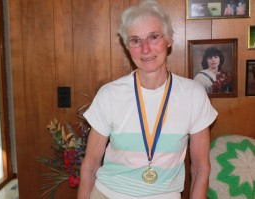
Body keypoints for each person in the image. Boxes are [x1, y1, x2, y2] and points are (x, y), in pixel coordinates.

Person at [78, 0, 218, 199]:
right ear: (127, 46)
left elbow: (200, 168)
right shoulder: (109, 95)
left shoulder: (194, 95)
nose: (145, 49)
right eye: (136, 40)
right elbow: (90, 165)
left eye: (153, 37)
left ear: (169, 39)